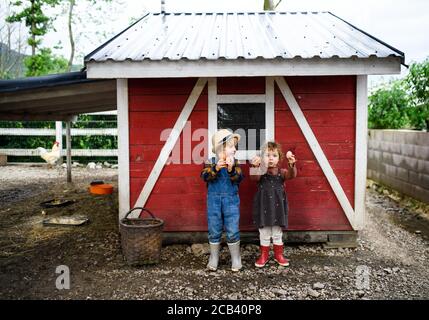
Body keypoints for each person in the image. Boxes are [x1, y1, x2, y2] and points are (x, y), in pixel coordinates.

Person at [201, 129, 244, 272]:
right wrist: (216, 168)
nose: (235, 149)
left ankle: (236, 258)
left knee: (232, 229)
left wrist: (231, 169)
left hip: (231, 200)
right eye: (232, 146)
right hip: (214, 201)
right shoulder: (210, 162)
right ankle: (214, 257)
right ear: (221, 148)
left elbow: (239, 178)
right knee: (214, 228)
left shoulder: (236, 163)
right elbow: (205, 176)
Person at [250, 141, 297, 267]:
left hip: (278, 207)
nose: (271, 158)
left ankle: (278, 255)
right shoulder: (260, 172)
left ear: (279, 158)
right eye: (267, 155)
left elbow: (291, 175)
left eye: (274, 155)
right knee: (264, 232)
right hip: (263, 206)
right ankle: (264, 255)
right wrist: (255, 167)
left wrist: (291, 165)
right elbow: (254, 178)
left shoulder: (281, 172)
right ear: (262, 158)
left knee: (277, 232)